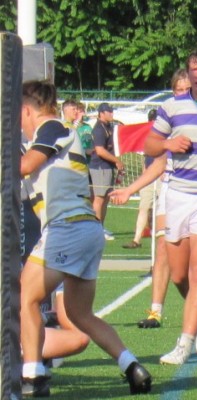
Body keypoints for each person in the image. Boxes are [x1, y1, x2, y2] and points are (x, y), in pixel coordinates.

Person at [19, 80, 151, 396]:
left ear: (26, 111)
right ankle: (132, 366)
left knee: (25, 298)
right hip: (84, 229)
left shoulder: (51, 128)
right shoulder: (53, 133)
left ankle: (33, 378)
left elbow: (24, 165)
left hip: (67, 228)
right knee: (80, 314)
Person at [144, 47, 197, 364]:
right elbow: (150, 144)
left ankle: (184, 342)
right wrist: (167, 143)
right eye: (193, 68)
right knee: (179, 275)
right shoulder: (172, 106)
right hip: (178, 194)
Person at [110, 68, 190, 329]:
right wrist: (129, 190)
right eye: (178, 90)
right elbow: (157, 162)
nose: (182, 95)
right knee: (164, 252)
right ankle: (156, 311)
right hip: (170, 190)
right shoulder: (168, 121)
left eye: (187, 90)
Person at [122, 109, 157, 249]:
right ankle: (136, 239)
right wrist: (144, 174)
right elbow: (145, 157)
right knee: (144, 207)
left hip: (162, 175)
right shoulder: (147, 135)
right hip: (149, 175)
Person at [90, 102, 124, 240]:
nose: (111, 114)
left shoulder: (109, 126)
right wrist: (116, 160)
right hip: (100, 167)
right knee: (99, 199)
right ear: (101, 113)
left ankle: (100, 227)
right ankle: (96, 230)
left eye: (111, 111)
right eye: (108, 112)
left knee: (105, 199)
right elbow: (100, 150)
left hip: (107, 166)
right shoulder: (99, 129)